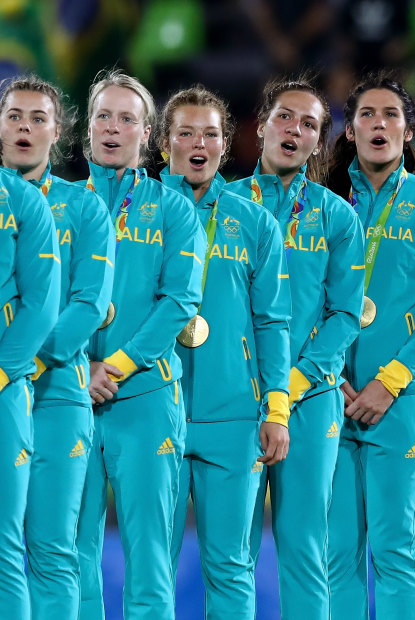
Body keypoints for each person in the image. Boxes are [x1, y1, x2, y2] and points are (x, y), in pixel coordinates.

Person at [325, 71, 415, 620]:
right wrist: (327, 378)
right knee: (336, 557)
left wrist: (390, 382)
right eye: (366, 114)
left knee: (396, 552)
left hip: (401, 403)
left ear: (408, 131)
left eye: (390, 115)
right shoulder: (324, 205)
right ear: (350, 129)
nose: (378, 123)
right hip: (329, 399)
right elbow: (307, 304)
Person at [227, 75, 365, 620]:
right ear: (261, 126)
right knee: (231, 553)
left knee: (307, 550)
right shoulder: (223, 203)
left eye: (310, 124)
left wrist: (292, 384)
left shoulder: (338, 216)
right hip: (235, 397)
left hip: (310, 399)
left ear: (319, 143)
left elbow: (345, 314)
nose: (295, 129)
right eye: (285, 117)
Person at [74, 69, 206, 620]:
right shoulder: (56, 206)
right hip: (68, 397)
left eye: (127, 118)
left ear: (147, 135)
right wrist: (81, 368)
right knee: (68, 556)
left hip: (146, 401)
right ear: (86, 130)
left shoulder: (174, 210)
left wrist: (115, 367)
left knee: (149, 562)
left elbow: (179, 301)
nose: (113, 127)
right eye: (103, 115)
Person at [158, 85, 291, 618]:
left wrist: (276, 407)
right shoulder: (135, 215)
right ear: (164, 141)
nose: (198, 143)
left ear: (225, 142)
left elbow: (273, 320)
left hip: (234, 416)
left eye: (210, 133)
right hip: (151, 410)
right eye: (185, 132)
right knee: (151, 567)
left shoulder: (255, 220)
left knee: (232, 569)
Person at [0, 75, 114, 620]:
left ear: (59, 132)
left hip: (55, 396)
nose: (25, 126)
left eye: (38, 118)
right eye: (15, 115)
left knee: (50, 551)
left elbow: (88, 306)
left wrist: (19, 363)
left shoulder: (85, 209)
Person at [0, 151, 60, 620]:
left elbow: (41, 304)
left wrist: (2, 373)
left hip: (5, 391)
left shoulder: (23, 201)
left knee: (3, 549)